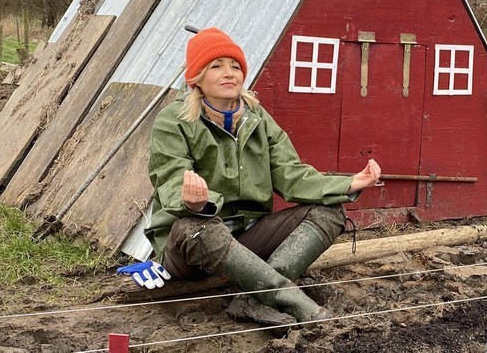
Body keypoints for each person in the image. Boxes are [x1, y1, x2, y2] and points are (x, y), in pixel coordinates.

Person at [144, 27, 382, 325]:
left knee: (330, 211)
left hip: (245, 237)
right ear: (196, 78)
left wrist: (348, 183)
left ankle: (251, 300)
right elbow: (170, 179)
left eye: (235, 66)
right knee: (199, 226)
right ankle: (294, 301)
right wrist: (194, 203)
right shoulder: (174, 121)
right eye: (216, 66)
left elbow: (290, 174)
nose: (229, 73)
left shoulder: (258, 119)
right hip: (190, 244)